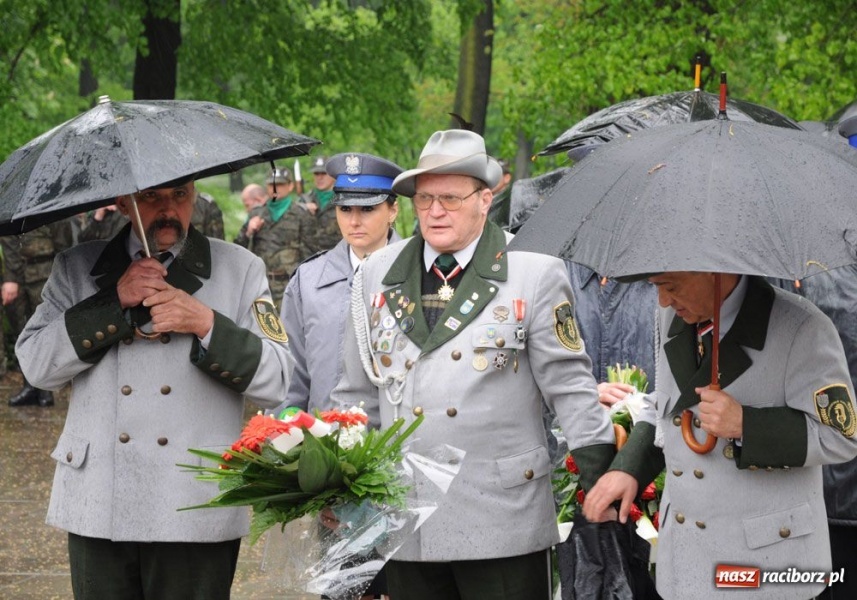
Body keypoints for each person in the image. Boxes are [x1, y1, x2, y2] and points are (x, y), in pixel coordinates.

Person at [331, 129, 616, 600]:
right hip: (408, 519)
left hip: (501, 517)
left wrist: (601, 474)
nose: (435, 212)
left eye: (450, 198)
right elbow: (356, 395)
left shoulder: (534, 271)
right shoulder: (376, 274)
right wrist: (339, 485)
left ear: (486, 199)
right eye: (424, 199)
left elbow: (569, 386)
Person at [15, 178, 294, 599]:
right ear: (122, 202)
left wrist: (206, 323)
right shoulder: (76, 267)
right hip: (99, 499)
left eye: (180, 195)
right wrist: (113, 302)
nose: (169, 209)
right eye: (152, 197)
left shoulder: (239, 268)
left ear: (195, 195)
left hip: (195, 500)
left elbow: (278, 379)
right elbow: (36, 366)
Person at [583, 271, 857, 600]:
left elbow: (841, 436)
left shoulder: (802, 326)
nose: (663, 300)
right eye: (656, 288)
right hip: (686, 563)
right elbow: (669, 403)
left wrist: (746, 424)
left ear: (713, 271)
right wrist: (629, 468)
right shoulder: (672, 316)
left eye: (671, 286)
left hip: (766, 567)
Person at [276, 152, 402, 417]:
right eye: (345, 209)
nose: (354, 221)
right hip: (322, 442)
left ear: (392, 210)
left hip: (395, 444)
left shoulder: (418, 274)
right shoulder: (308, 280)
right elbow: (291, 374)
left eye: (367, 208)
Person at [2, 218, 75, 407]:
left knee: (45, 332)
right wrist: (10, 279)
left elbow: (63, 243)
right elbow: (9, 243)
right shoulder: (12, 212)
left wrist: (62, 277)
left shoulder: (52, 210)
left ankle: (45, 390)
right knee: (22, 332)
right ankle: (29, 386)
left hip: (44, 274)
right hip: (18, 278)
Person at [234, 167, 316, 306]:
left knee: (288, 327)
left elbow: (311, 253)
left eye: (280, 184)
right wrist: (248, 232)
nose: (275, 189)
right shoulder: (257, 213)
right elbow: (237, 249)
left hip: (290, 285)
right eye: (272, 184)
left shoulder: (301, 214)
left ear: (290, 186)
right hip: (261, 285)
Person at [302, 155, 342, 251]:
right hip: (309, 257)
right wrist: (302, 208)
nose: (319, 178)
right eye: (316, 173)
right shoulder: (304, 200)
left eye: (324, 173)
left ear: (334, 175)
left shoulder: (344, 199)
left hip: (336, 256)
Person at [486, 158, 513, 229]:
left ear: (507, 178)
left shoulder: (510, 202)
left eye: (494, 175)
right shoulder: (483, 198)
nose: (489, 179)